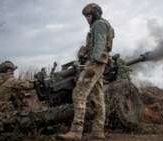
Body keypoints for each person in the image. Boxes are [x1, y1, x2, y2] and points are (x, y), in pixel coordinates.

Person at [57, 3, 114, 140]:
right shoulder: (103, 24)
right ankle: (98, 131)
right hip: (100, 62)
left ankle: (76, 132)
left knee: (78, 94)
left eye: (88, 16)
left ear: (95, 14)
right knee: (98, 97)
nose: (87, 19)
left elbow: (100, 44)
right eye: (86, 16)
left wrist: (93, 61)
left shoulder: (99, 24)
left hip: (95, 63)